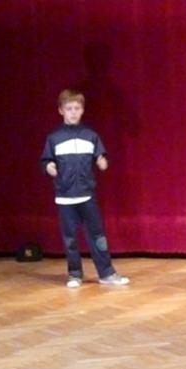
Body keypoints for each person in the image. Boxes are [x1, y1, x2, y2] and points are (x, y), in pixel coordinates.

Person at [40, 89, 130, 288]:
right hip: (65, 197)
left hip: (87, 196)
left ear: (82, 110)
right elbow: (45, 160)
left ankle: (106, 273)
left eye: (77, 108)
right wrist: (49, 167)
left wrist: (102, 161)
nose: (73, 112)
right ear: (61, 110)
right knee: (70, 239)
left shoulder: (91, 136)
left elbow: (101, 156)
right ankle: (74, 274)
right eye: (69, 108)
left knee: (98, 236)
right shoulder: (54, 138)